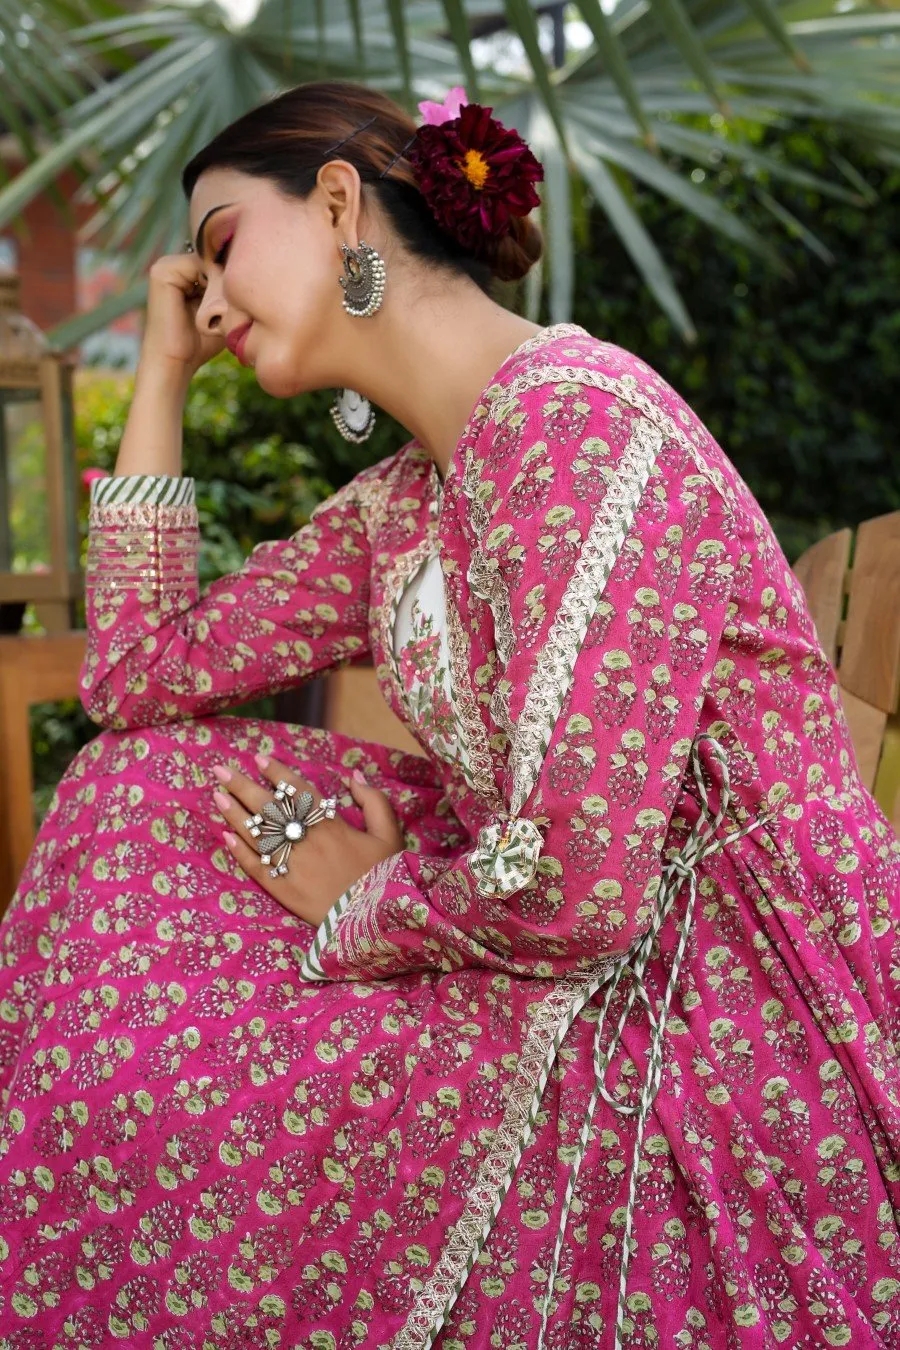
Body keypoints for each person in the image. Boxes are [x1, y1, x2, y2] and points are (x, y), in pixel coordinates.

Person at [0, 77, 898, 1350]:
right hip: (534, 940)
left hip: (711, 1006)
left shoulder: (581, 424)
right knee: (135, 795)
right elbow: (131, 687)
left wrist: (365, 904)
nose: (204, 305)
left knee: (162, 1101)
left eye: (216, 249)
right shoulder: (405, 505)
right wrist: (158, 373)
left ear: (335, 201)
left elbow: (585, 882)